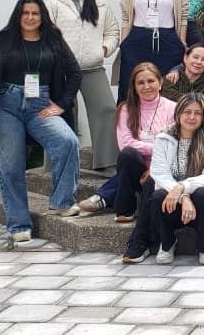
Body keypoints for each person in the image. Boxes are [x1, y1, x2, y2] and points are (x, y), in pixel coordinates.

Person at [0, 0, 81, 241]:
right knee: (11, 166)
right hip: (7, 107)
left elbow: (75, 74)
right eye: (25, 13)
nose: (30, 17)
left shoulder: (54, 39)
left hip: (40, 105)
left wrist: (61, 105)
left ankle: (62, 201)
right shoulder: (4, 39)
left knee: (67, 141)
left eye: (35, 13)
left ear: (42, 16)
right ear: (18, 15)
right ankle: (19, 224)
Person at [122, 93, 204, 265]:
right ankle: (167, 242)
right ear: (178, 113)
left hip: (202, 204)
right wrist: (183, 196)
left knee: (203, 195)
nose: (192, 117)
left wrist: (182, 187)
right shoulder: (164, 137)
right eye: (187, 112)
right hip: (173, 201)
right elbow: (159, 172)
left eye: (198, 113)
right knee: (157, 196)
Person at [75, 63, 176, 221]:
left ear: (160, 82)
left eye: (151, 81)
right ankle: (126, 211)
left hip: (163, 166)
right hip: (135, 165)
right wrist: (157, 146)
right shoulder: (126, 109)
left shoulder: (173, 108)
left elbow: (174, 145)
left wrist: (153, 167)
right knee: (128, 154)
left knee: (126, 172)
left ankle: (104, 198)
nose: (146, 86)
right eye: (140, 83)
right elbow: (126, 144)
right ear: (134, 87)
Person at [46, 0, 120, 170]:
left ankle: (107, 163)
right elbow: (46, 32)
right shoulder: (54, 3)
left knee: (107, 109)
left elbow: (113, 32)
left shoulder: (101, 3)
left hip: (92, 67)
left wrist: (103, 50)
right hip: (62, 69)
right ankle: (57, 164)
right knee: (61, 111)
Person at [118, 0, 188, 102]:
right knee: (131, 84)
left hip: (167, 38)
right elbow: (125, 16)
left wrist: (182, 42)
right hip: (138, 38)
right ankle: (128, 117)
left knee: (168, 85)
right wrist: (124, 43)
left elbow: (183, 15)